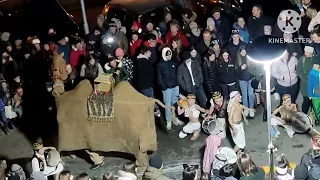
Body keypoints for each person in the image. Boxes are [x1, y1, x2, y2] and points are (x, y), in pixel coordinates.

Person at [157, 47, 183, 130]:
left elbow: (177, 73)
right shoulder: (160, 64)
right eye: (167, 55)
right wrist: (164, 87)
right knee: (167, 105)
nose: (168, 56)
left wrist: (177, 84)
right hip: (167, 88)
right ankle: (169, 121)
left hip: (175, 86)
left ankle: (175, 118)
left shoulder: (173, 62)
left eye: (170, 54)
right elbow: (159, 78)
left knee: (175, 103)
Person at [298, 46, 317, 114]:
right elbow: (299, 71)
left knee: (314, 102)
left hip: (315, 84)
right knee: (306, 101)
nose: (306, 53)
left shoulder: (316, 59)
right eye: (305, 52)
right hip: (305, 84)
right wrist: (305, 80)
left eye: (308, 52)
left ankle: (315, 116)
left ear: (312, 52)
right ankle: (304, 115)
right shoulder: (302, 59)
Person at [236, 47, 255, 118]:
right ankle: (246, 109)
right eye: (242, 52)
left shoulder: (250, 59)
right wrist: (241, 69)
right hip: (242, 80)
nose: (243, 53)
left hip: (250, 78)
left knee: (250, 94)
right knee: (244, 95)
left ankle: (251, 109)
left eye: (244, 52)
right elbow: (236, 73)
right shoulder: (237, 60)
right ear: (239, 53)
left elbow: (254, 68)